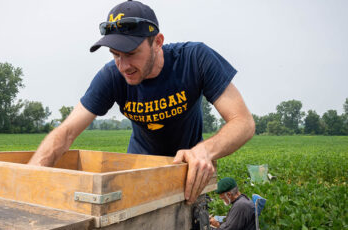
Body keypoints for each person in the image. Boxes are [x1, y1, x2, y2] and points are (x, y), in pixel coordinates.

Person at [28, 0, 255, 204]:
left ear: (157, 42)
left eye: (132, 53)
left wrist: (204, 151)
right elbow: (66, 131)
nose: (123, 65)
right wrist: (29, 177)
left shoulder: (195, 59)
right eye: (115, 54)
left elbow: (243, 123)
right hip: (139, 174)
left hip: (187, 175)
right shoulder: (111, 76)